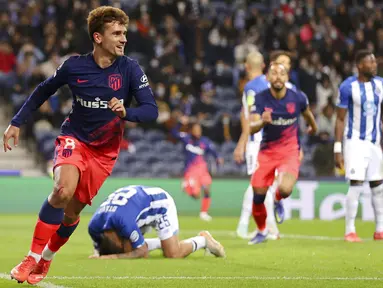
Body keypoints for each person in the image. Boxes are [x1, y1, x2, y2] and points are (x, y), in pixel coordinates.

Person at [3, 6, 158, 285]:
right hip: (74, 138)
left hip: (105, 153)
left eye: (124, 33)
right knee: (61, 191)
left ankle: (46, 259)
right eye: (117, 33)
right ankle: (31, 258)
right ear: (98, 37)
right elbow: (43, 90)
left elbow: (151, 110)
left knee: (71, 213)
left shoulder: (130, 69)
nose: (124, 39)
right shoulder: (74, 66)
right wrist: (16, 122)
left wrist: (126, 113)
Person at [248, 63, 317, 244]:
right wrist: (262, 123)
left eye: (282, 73)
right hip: (267, 151)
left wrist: (313, 126)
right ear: (268, 78)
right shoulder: (260, 98)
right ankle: (262, 230)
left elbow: (307, 113)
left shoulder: (298, 97)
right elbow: (250, 128)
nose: (278, 76)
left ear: (287, 78)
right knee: (258, 196)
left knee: (285, 189)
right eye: (274, 73)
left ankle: (278, 199)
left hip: (289, 150)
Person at [88, 185, 226, 259]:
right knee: (134, 244)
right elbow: (99, 249)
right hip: (138, 205)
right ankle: (164, 243)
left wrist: (115, 257)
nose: (124, 248)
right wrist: (99, 255)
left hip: (160, 205)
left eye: (122, 246)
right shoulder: (94, 227)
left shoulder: (124, 222)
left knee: (173, 254)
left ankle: (203, 240)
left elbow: (142, 252)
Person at [334, 50, 383, 242]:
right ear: (359, 66)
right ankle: (350, 230)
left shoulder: (380, 84)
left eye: (374, 61)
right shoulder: (348, 87)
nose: (374, 65)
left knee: (378, 186)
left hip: (374, 142)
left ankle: (380, 229)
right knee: (356, 184)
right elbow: (339, 119)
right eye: (369, 62)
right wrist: (337, 149)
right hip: (355, 141)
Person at [171, 115, 224, 221]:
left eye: (199, 130)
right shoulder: (186, 138)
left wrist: (218, 158)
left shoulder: (205, 141)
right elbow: (173, 133)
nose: (197, 131)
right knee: (196, 195)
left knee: (207, 189)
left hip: (202, 169)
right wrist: (180, 123)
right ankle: (187, 186)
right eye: (195, 129)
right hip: (191, 170)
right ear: (191, 130)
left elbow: (213, 151)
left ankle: (204, 213)